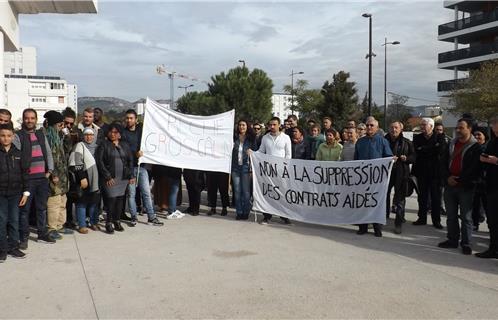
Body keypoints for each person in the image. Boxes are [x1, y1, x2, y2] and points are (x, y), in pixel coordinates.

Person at [438, 118, 481, 255]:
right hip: (450, 185)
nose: (457, 130)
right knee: (451, 215)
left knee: (466, 217)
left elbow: (474, 169)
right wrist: (447, 177)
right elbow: (443, 162)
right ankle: (452, 240)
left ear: (470, 129)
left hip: (465, 187)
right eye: (457, 127)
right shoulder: (451, 144)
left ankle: (466, 243)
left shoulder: (476, 147)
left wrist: (460, 180)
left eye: (461, 128)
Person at [14, 109, 55, 247]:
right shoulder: (18, 136)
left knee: (41, 208)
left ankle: (42, 234)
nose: (29, 121)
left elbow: (48, 153)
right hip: (27, 180)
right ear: (23, 119)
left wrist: (49, 171)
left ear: (36, 119)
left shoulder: (40, 134)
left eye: (32, 118)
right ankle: (23, 238)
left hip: (42, 179)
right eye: (27, 118)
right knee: (24, 210)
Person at [121, 109, 163, 227]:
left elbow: (152, 127)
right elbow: (125, 150)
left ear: (136, 120)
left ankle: (151, 217)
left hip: (142, 167)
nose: (129, 120)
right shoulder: (123, 133)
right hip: (129, 168)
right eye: (127, 118)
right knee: (131, 194)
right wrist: (135, 154)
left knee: (146, 193)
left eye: (131, 118)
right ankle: (133, 217)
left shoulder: (141, 130)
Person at [354, 117, 393, 237]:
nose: (369, 127)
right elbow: (355, 159)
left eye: (372, 125)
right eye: (368, 125)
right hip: (363, 178)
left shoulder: (383, 141)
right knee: (362, 202)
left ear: (377, 127)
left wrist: (392, 159)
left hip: (378, 179)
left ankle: (377, 227)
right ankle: (363, 226)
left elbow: (388, 157)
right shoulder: (360, 142)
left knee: (377, 202)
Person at [96, 123, 134, 234]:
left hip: (123, 179)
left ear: (120, 134)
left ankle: (117, 221)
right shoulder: (104, 144)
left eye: (115, 132)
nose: (113, 134)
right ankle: (109, 222)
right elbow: (100, 162)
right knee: (111, 200)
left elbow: (130, 161)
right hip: (110, 179)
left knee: (120, 201)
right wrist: (107, 177)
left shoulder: (125, 145)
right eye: (111, 132)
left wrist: (131, 175)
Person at [0, 123, 29, 261]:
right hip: (1, 194)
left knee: (14, 220)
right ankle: (2, 249)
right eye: (2, 135)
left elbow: (25, 174)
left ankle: (13, 247)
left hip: (15, 193)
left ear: (13, 137)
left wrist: (26, 192)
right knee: (1, 221)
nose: (5, 138)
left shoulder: (18, 153)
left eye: (8, 136)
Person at [255, 116, 292, 225]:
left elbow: (288, 155)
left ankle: (284, 216)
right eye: (270, 125)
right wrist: (253, 153)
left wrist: (285, 168)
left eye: (274, 124)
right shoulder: (265, 138)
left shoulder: (286, 138)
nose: (272, 126)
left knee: (282, 193)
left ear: (279, 125)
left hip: (281, 171)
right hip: (268, 171)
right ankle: (267, 216)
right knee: (269, 193)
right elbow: (261, 151)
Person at [411, 118, 446, 229]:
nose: (422, 127)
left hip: (435, 173)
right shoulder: (417, 138)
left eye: (424, 125)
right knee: (422, 197)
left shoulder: (439, 137)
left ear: (431, 126)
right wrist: (432, 148)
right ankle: (422, 218)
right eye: (421, 125)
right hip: (421, 172)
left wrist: (424, 149)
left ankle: (436, 220)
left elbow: (441, 150)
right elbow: (416, 151)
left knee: (436, 198)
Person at [44, 111, 73, 240]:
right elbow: (49, 158)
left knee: (62, 201)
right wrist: (53, 174)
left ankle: (60, 225)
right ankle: (52, 228)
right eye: (60, 123)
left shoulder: (59, 135)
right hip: (54, 177)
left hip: (63, 176)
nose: (62, 126)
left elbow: (68, 149)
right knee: (54, 203)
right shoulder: (48, 137)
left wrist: (67, 136)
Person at [68, 127, 101, 234]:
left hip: (96, 179)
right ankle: (82, 224)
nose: (89, 137)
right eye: (86, 134)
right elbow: (75, 164)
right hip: (83, 179)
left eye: (91, 134)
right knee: (82, 202)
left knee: (94, 202)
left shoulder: (97, 147)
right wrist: (82, 177)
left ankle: (93, 222)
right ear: (83, 136)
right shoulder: (79, 146)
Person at [385, 121, 415, 234]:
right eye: (392, 127)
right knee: (384, 195)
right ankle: (383, 217)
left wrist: (406, 158)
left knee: (400, 198)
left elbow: (414, 157)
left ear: (400, 129)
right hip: (386, 173)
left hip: (401, 173)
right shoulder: (383, 141)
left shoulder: (407, 142)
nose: (394, 130)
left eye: (396, 128)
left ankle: (398, 222)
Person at [475, 116, 498, 259]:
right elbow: (484, 157)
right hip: (491, 185)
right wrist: (484, 159)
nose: (495, 133)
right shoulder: (492, 142)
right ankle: (493, 248)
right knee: (493, 220)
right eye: (494, 131)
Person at [231, 119, 257, 220]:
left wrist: (252, 152)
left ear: (247, 126)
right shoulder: (234, 138)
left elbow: (256, 152)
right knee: (237, 191)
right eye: (240, 125)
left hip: (246, 168)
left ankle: (246, 210)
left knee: (246, 191)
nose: (241, 127)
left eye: (243, 125)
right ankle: (239, 212)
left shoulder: (251, 138)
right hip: (235, 168)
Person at [472, 127, 488, 231]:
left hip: (486, 181)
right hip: (474, 181)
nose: (477, 137)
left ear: (484, 136)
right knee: (474, 204)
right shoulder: (472, 147)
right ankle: (475, 223)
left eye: (479, 135)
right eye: (475, 135)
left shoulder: (489, 147)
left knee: (488, 206)